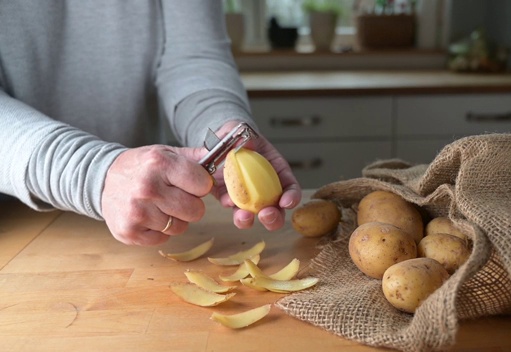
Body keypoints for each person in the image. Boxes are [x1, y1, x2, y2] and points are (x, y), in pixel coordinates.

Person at [0, 0, 302, 246]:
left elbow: (193, 56)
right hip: (14, 221)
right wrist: (95, 172)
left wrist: (222, 129)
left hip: (147, 221)